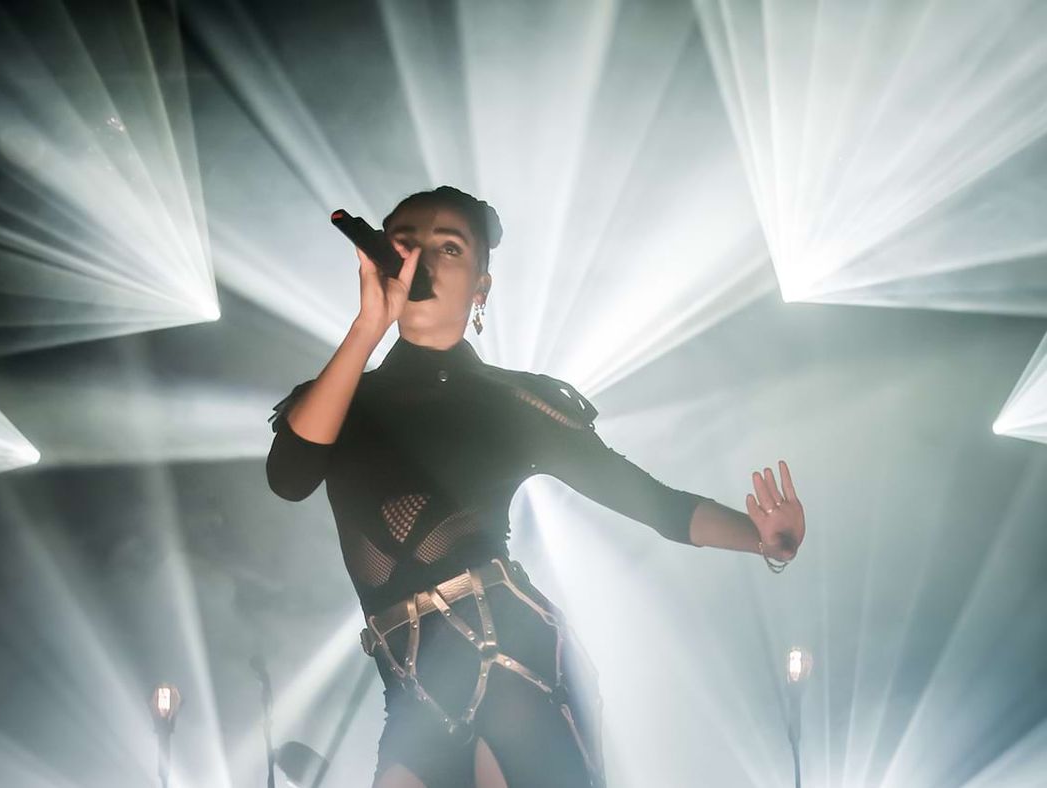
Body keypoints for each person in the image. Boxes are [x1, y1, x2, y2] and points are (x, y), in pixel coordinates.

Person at [265, 186, 806, 788]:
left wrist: (763, 539)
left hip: (512, 661)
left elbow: (653, 502)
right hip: (412, 689)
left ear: (481, 287)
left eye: (450, 247)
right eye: (406, 243)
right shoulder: (340, 398)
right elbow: (289, 477)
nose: (424, 260)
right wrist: (369, 325)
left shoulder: (515, 402)